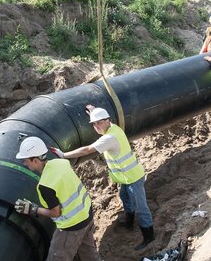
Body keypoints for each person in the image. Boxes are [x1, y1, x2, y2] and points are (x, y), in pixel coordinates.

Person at [14, 136, 109, 261]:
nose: (24, 163)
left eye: (26, 160)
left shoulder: (45, 185)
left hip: (70, 227)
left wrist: (31, 209)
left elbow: (54, 212)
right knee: (89, 253)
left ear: (35, 160)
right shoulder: (60, 163)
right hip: (86, 215)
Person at [49, 106, 155, 251]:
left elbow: (87, 150)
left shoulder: (109, 138)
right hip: (125, 178)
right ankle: (129, 224)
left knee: (141, 208)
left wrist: (64, 155)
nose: (97, 126)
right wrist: (94, 111)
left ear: (107, 121)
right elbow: (101, 119)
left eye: (99, 123)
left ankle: (149, 237)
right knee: (125, 197)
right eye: (94, 124)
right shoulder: (113, 127)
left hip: (133, 178)